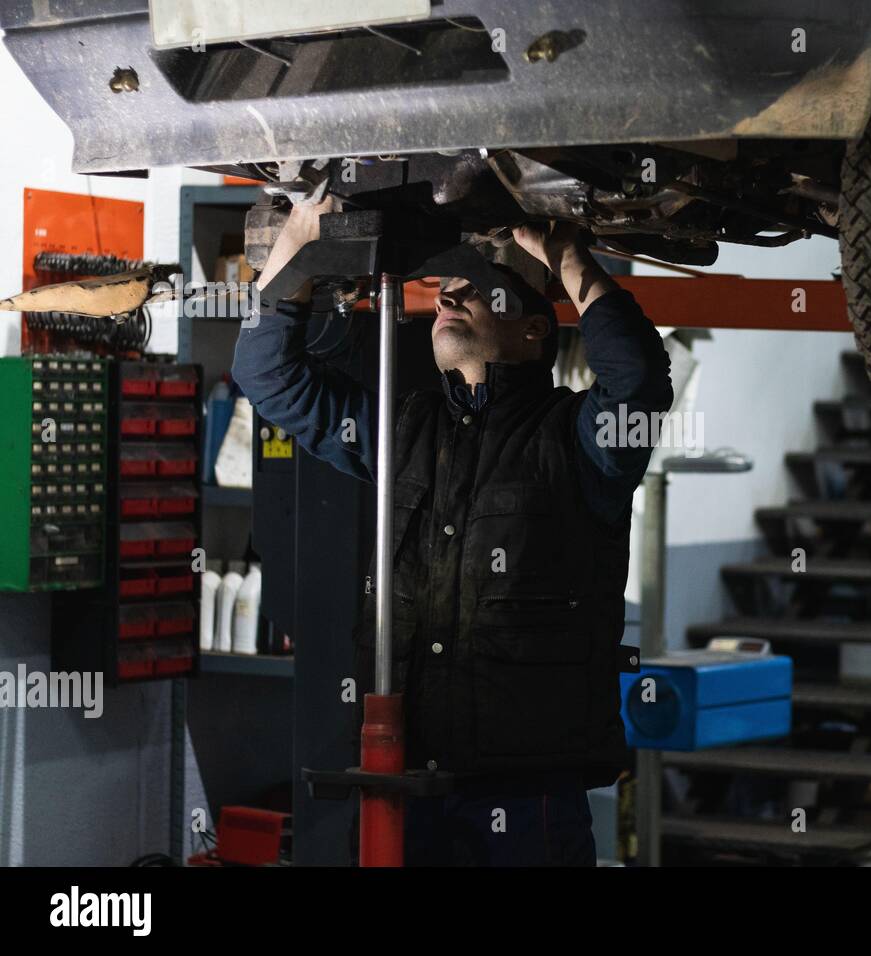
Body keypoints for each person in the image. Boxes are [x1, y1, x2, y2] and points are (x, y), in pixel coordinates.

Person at [231, 198, 673, 865]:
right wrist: (300, 249)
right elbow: (266, 375)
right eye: (443, 288)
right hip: (410, 776)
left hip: (528, 791)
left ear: (533, 332)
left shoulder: (578, 442)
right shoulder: (400, 431)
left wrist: (571, 261)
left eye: (479, 290)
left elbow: (637, 379)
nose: (450, 293)